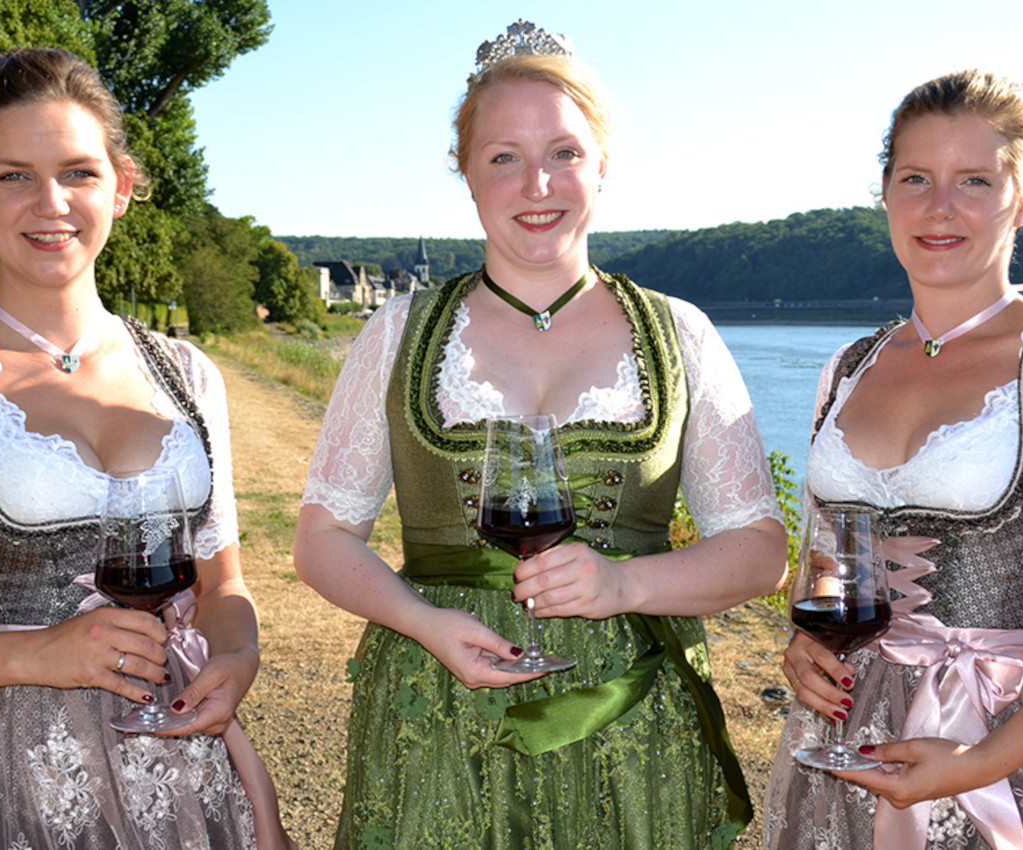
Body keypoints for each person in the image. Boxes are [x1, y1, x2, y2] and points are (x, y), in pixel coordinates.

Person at [292, 19, 788, 850]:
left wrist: (626, 586)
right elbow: (322, 537)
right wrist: (422, 621)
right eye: (504, 157)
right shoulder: (401, 331)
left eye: (563, 151)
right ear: (467, 172)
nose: (537, 184)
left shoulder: (681, 334)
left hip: (632, 717)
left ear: (602, 164)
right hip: (438, 707)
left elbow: (760, 551)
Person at [0, 48, 294, 848]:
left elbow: (225, 584)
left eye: (78, 171)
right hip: (11, 775)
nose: (51, 203)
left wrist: (238, 659)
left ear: (122, 185)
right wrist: (35, 654)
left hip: (186, 766)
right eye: (13, 175)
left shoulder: (187, 374)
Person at [763, 69, 1023, 849]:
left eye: (974, 179)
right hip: (837, 747)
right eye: (915, 177)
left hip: (1005, 756)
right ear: (885, 193)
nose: (939, 206)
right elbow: (824, 562)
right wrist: (804, 641)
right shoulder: (847, 366)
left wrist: (983, 758)